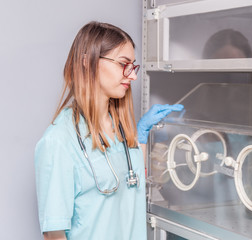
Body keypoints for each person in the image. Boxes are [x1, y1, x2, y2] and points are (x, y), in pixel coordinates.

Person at [34, 21, 183, 240]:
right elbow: (53, 235)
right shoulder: (59, 141)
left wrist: (140, 137)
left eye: (133, 66)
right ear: (89, 62)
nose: (132, 76)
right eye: (124, 64)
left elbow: (132, 185)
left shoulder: (122, 128)